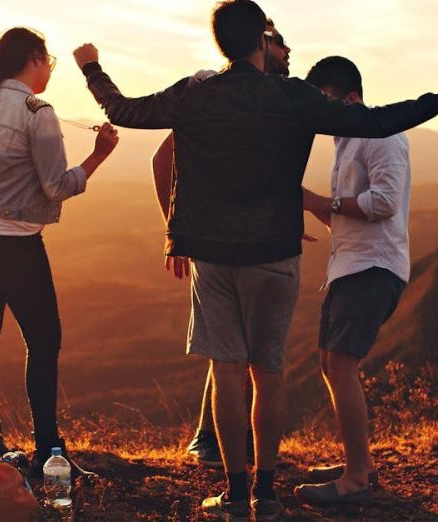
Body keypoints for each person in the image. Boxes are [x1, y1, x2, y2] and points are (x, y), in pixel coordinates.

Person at [73, 0, 438, 518]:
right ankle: (266, 494)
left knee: (227, 373)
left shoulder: (197, 94)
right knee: (269, 372)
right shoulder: (293, 97)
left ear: (222, 41)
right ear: (262, 40)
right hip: (275, 253)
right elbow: (379, 121)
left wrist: (91, 67)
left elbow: (125, 111)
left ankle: (236, 491)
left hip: (214, 255)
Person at [0, 27, 119, 480]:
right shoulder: (37, 111)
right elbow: (57, 186)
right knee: (44, 338)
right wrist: (100, 154)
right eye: (49, 63)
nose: (50, 72)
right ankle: (49, 449)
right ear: (34, 59)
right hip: (13, 237)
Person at [151, 17, 290, 468]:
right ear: (260, 44)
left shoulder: (270, 101)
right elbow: (163, 157)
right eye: (280, 43)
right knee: (229, 351)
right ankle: (210, 440)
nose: (289, 53)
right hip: (216, 242)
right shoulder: (212, 89)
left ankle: (229, 447)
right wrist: (177, 230)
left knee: (239, 349)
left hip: (252, 240)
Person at [293, 56, 410, 506]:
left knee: (341, 365)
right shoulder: (346, 141)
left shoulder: (380, 136)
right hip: (350, 265)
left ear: (352, 98)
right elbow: (343, 209)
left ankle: (357, 479)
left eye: (325, 102)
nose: (320, 113)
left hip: (373, 268)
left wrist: (325, 201)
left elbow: (382, 203)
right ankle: (357, 462)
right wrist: (307, 205)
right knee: (330, 363)